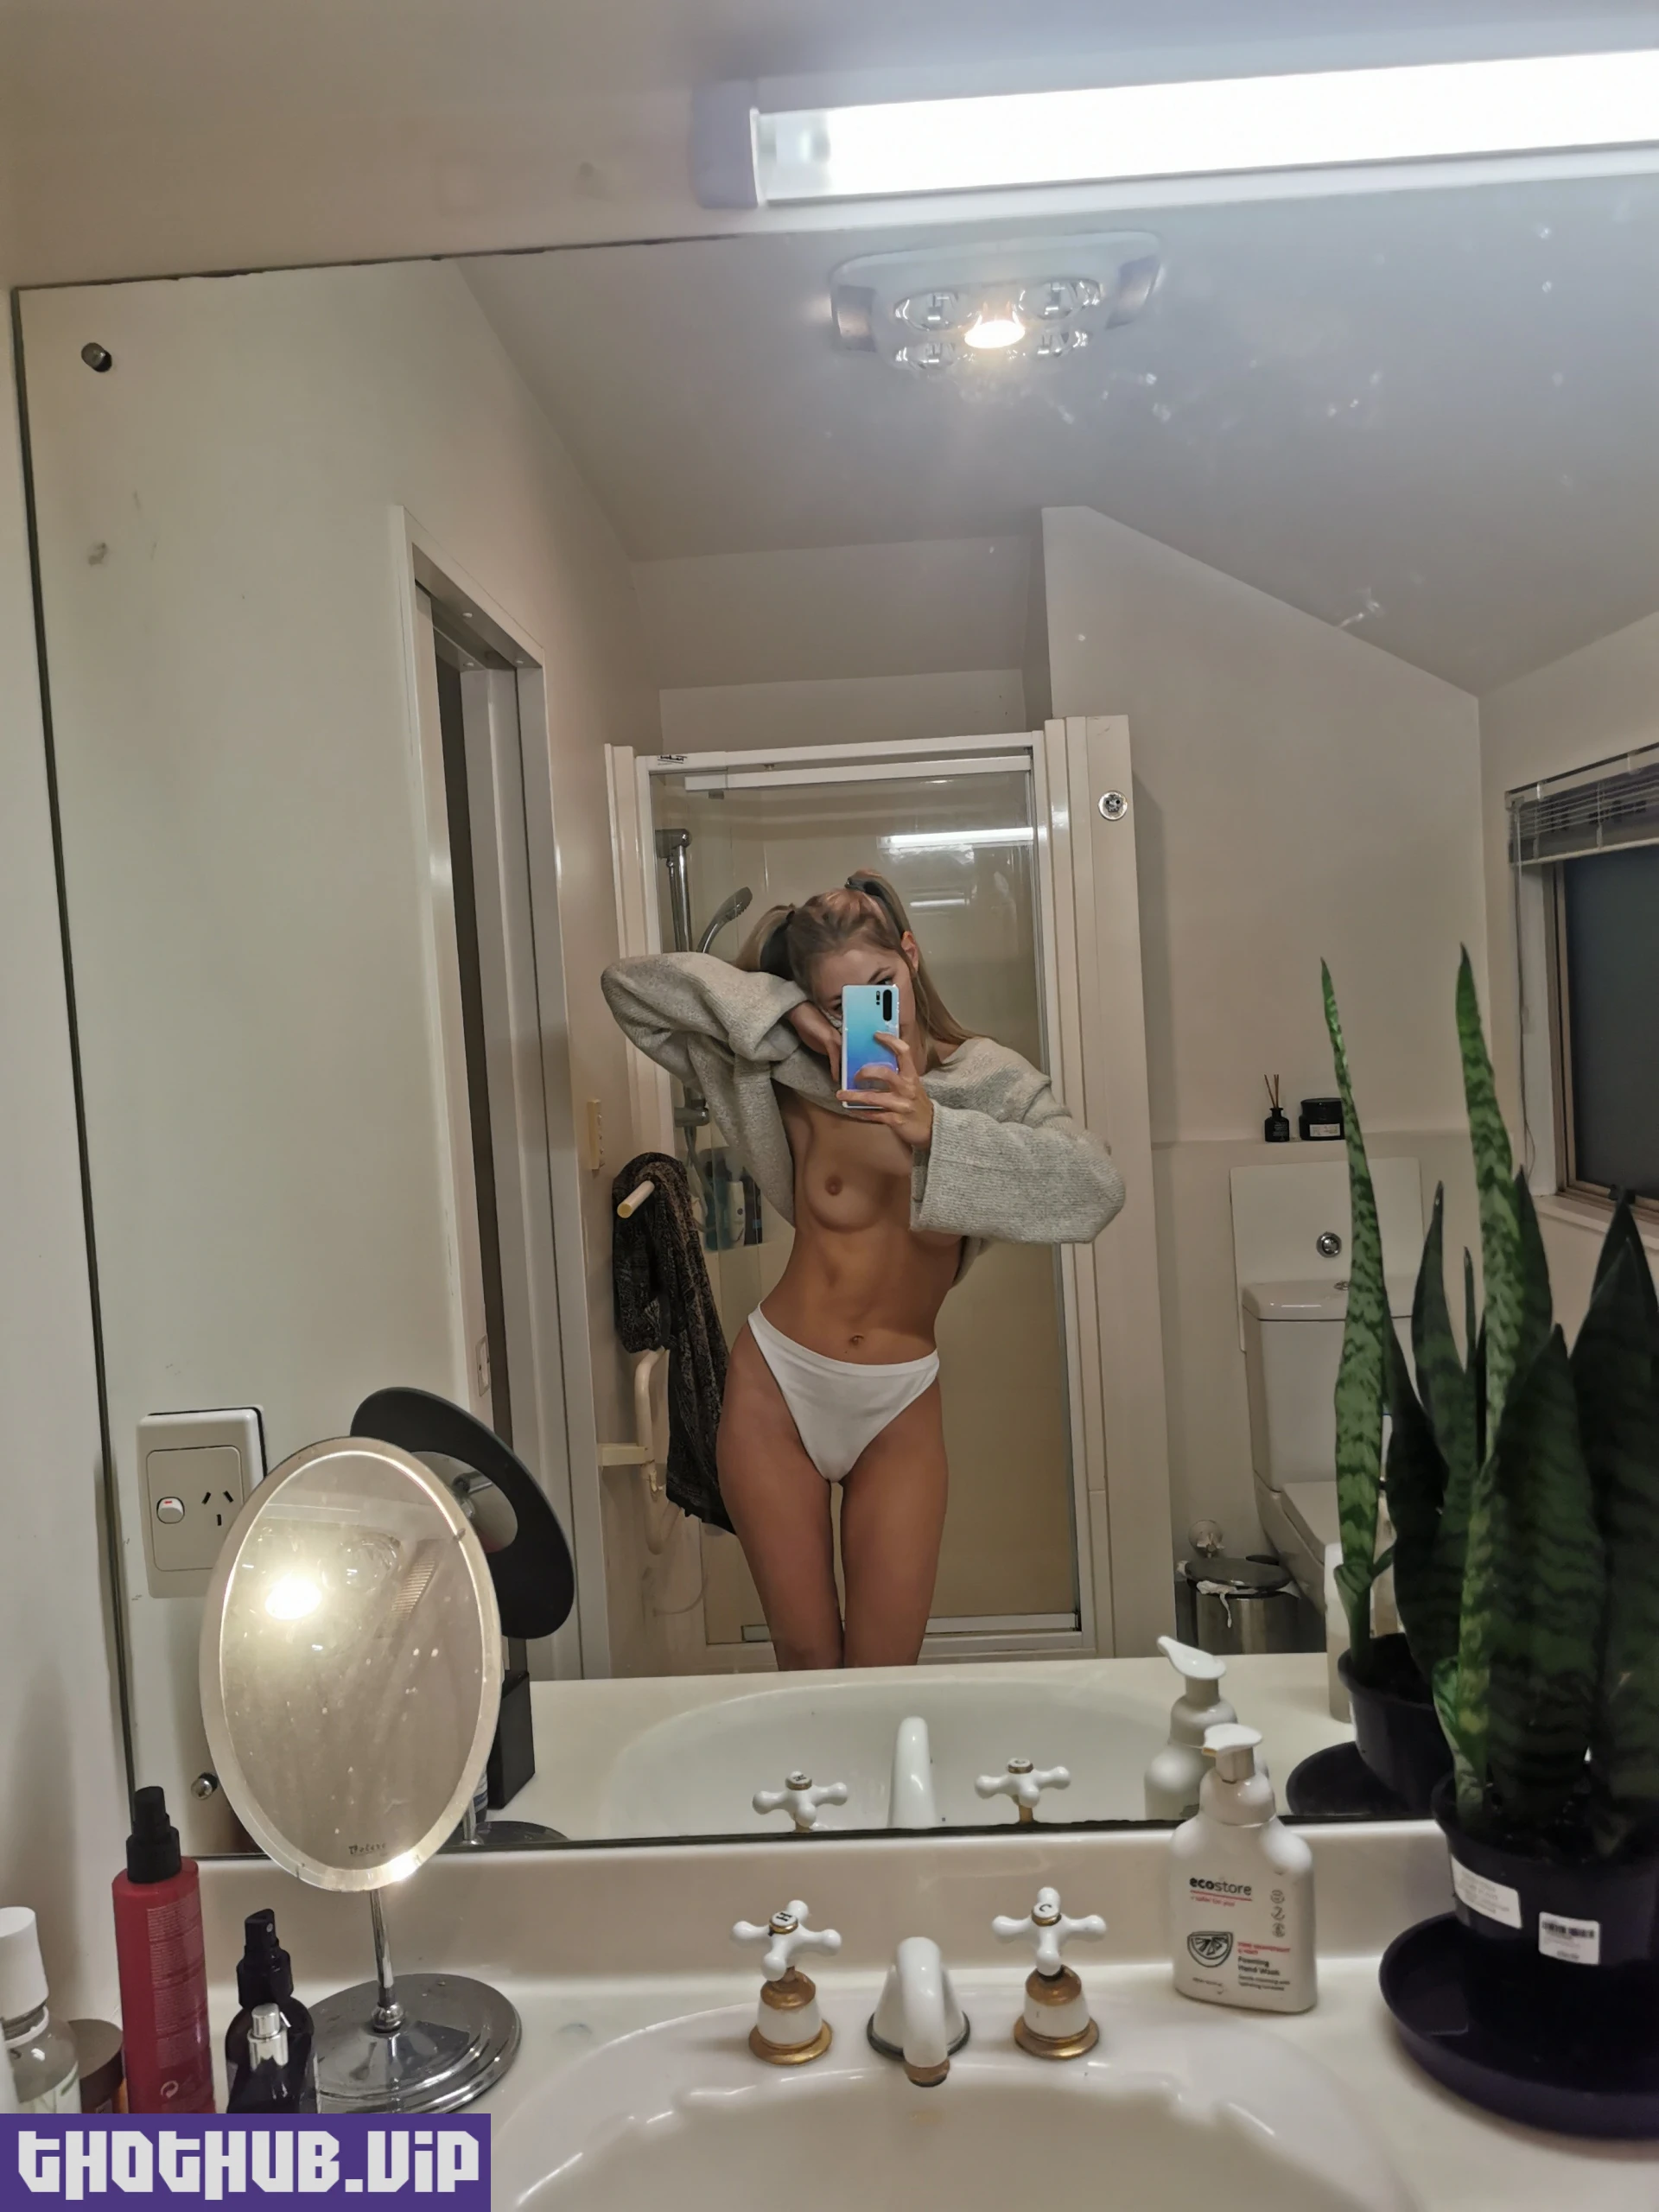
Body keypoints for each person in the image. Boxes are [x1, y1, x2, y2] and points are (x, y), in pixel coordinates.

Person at [601, 871, 1124, 1669]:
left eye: (882, 985)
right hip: (777, 1388)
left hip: (900, 1402)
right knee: (808, 1663)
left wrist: (938, 1130)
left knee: (884, 1673)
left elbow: (1096, 1188)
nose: (874, 1014)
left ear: (910, 954)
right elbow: (632, 990)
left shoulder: (984, 1081)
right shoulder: (792, 1068)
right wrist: (791, 1018)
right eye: (842, 1003)